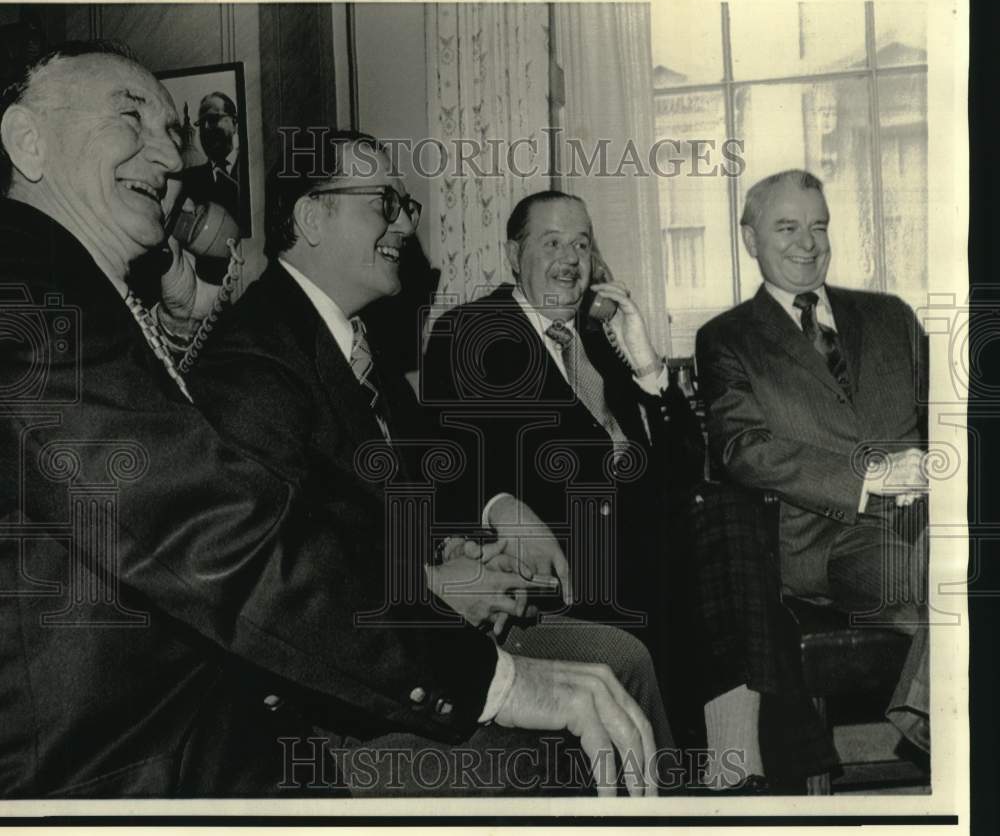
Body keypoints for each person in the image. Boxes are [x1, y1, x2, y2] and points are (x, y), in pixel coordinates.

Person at [0, 41, 654, 797]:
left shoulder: (83, 291)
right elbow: (216, 533)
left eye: (171, 130)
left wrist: (476, 529)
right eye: (130, 116)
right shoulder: (30, 297)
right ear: (27, 140)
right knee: (547, 748)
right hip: (122, 767)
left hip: (204, 723)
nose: (167, 154)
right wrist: (492, 675)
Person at [186, 131, 675, 792]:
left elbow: (427, 473)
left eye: (405, 205)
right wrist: (425, 583)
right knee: (537, 752)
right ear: (311, 217)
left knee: (625, 660)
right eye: (384, 203)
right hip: (332, 691)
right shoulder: (252, 360)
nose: (404, 226)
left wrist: (490, 517)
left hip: (419, 621)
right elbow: (279, 576)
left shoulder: (354, 341)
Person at [694, 169, 930, 789]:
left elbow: (949, 418)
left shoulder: (891, 316)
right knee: (949, 584)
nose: (808, 243)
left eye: (818, 226)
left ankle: (930, 720)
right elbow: (744, 450)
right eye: (787, 227)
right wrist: (872, 476)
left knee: (945, 591)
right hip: (829, 538)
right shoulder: (726, 339)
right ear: (750, 239)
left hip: (931, 516)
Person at [422, 191, 704, 690]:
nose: (570, 260)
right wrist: (500, 506)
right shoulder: (467, 332)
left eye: (581, 245)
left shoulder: (604, 338)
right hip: (565, 583)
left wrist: (644, 359)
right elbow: (449, 463)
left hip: (651, 570)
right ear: (514, 255)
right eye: (552, 243)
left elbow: (685, 463)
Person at [180, 92, 242, 284]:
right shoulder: (188, 181)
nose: (207, 128)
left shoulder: (254, 169)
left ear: (235, 124)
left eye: (214, 119)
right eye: (201, 123)